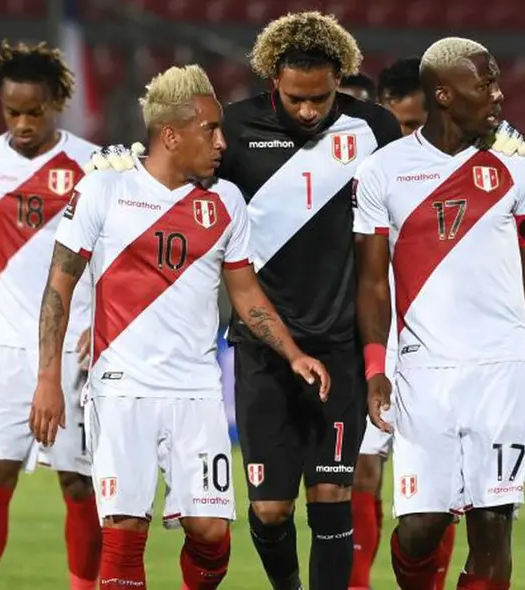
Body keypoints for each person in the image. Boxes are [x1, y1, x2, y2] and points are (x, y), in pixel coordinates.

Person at [82, 13, 525, 589]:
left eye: (320, 97)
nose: (308, 111)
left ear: (339, 80)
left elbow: (427, 166)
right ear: (273, 79)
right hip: (263, 345)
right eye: (296, 98)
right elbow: (179, 174)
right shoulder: (236, 129)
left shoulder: (373, 127)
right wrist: (127, 162)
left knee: (332, 496)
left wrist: (491, 146)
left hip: (340, 341)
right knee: (270, 510)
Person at [29, 64, 331, 590]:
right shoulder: (104, 190)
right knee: (125, 528)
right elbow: (59, 287)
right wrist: (48, 378)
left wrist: (293, 352)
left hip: (196, 390)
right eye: (209, 130)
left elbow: (246, 293)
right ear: (171, 135)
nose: (221, 142)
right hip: (122, 389)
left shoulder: (226, 201)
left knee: (212, 533)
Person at [353, 36, 525, 590]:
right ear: (444, 94)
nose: (498, 95)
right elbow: (372, 283)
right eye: (485, 84)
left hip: (503, 371)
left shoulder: (518, 172)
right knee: (421, 527)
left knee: (493, 525)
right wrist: (376, 366)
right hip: (423, 371)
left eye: (496, 82)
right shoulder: (383, 171)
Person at [0, 40, 101, 590]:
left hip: (73, 347)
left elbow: (115, 258)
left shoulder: (94, 165)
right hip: (3, 346)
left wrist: (103, 323)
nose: (22, 123)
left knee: (78, 484)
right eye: (12, 111)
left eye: (34, 112)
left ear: (56, 102)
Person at [348, 55, 458, 590]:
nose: (416, 135)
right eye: (406, 123)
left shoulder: (458, 170)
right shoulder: (368, 174)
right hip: (377, 333)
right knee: (362, 468)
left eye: (422, 123)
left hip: (440, 339)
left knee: (442, 488)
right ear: (384, 110)